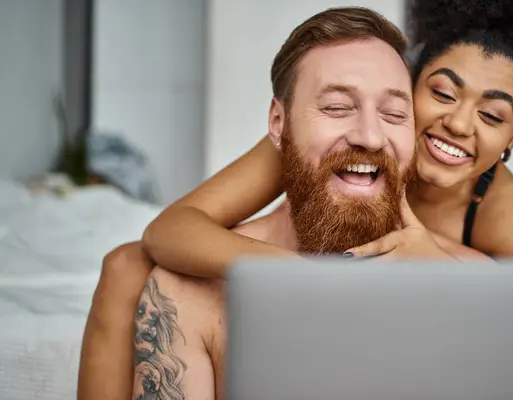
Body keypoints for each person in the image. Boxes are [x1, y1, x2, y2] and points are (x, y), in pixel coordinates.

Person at [77, 0, 513, 398]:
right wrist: (301, 278)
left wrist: (435, 263)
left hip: (415, 307)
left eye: (492, 116)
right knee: (126, 264)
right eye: (441, 94)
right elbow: (171, 229)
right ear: (408, 87)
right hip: (317, 266)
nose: (459, 123)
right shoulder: (343, 132)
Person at [132, 9, 441, 398]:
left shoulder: (470, 282)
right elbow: (165, 233)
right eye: (336, 108)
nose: (371, 136)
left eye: (394, 114)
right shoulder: (186, 295)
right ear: (279, 122)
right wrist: (297, 278)